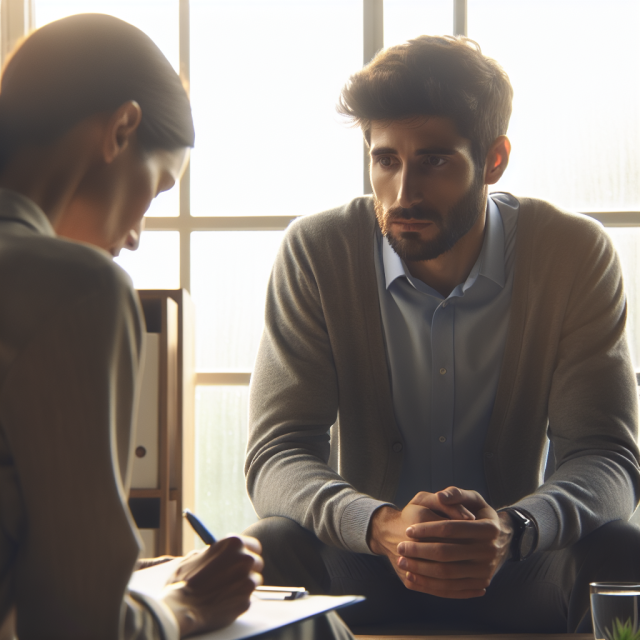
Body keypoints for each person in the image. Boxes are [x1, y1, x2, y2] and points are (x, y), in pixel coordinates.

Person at [244, 35, 640, 634]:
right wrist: (379, 524)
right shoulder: (318, 252)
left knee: (621, 554)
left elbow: (607, 457)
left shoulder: (572, 254)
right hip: (365, 563)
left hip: (518, 567)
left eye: (434, 160)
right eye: (386, 160)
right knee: (266, 550)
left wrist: (514, 529)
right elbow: (278, 451)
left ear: (494, 160)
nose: (404, 193)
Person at [0, 14, 353, 640]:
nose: (135, 237)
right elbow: (80, 626)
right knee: (306, 630)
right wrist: (186, 604)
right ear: (121, 129)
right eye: (157, 188)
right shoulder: (74, 287)